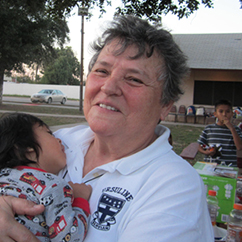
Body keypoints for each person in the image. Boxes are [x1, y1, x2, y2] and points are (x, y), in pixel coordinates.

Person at [0, 15, 214, 241]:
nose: (109, 87)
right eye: (102, 71)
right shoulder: (59, 142)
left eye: (134, 79)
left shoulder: (174, 187)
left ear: (165, 105)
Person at [0, 113, 92, 242]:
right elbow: (69, 237)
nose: (60, 140)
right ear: (28, 147)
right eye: (50, 133)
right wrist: (80, 200)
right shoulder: (52, 185)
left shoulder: (3, 175)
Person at [197, 99, 242, 166]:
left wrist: (232, 128)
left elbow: (239, 147)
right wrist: (206, 152)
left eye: (227, 112)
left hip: (229, 166)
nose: (224, 114)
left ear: (232, 114)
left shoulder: (236, 130)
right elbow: (199, 145)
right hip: (210, 165)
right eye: (221, 111)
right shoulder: (209, 129)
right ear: (215, 114)